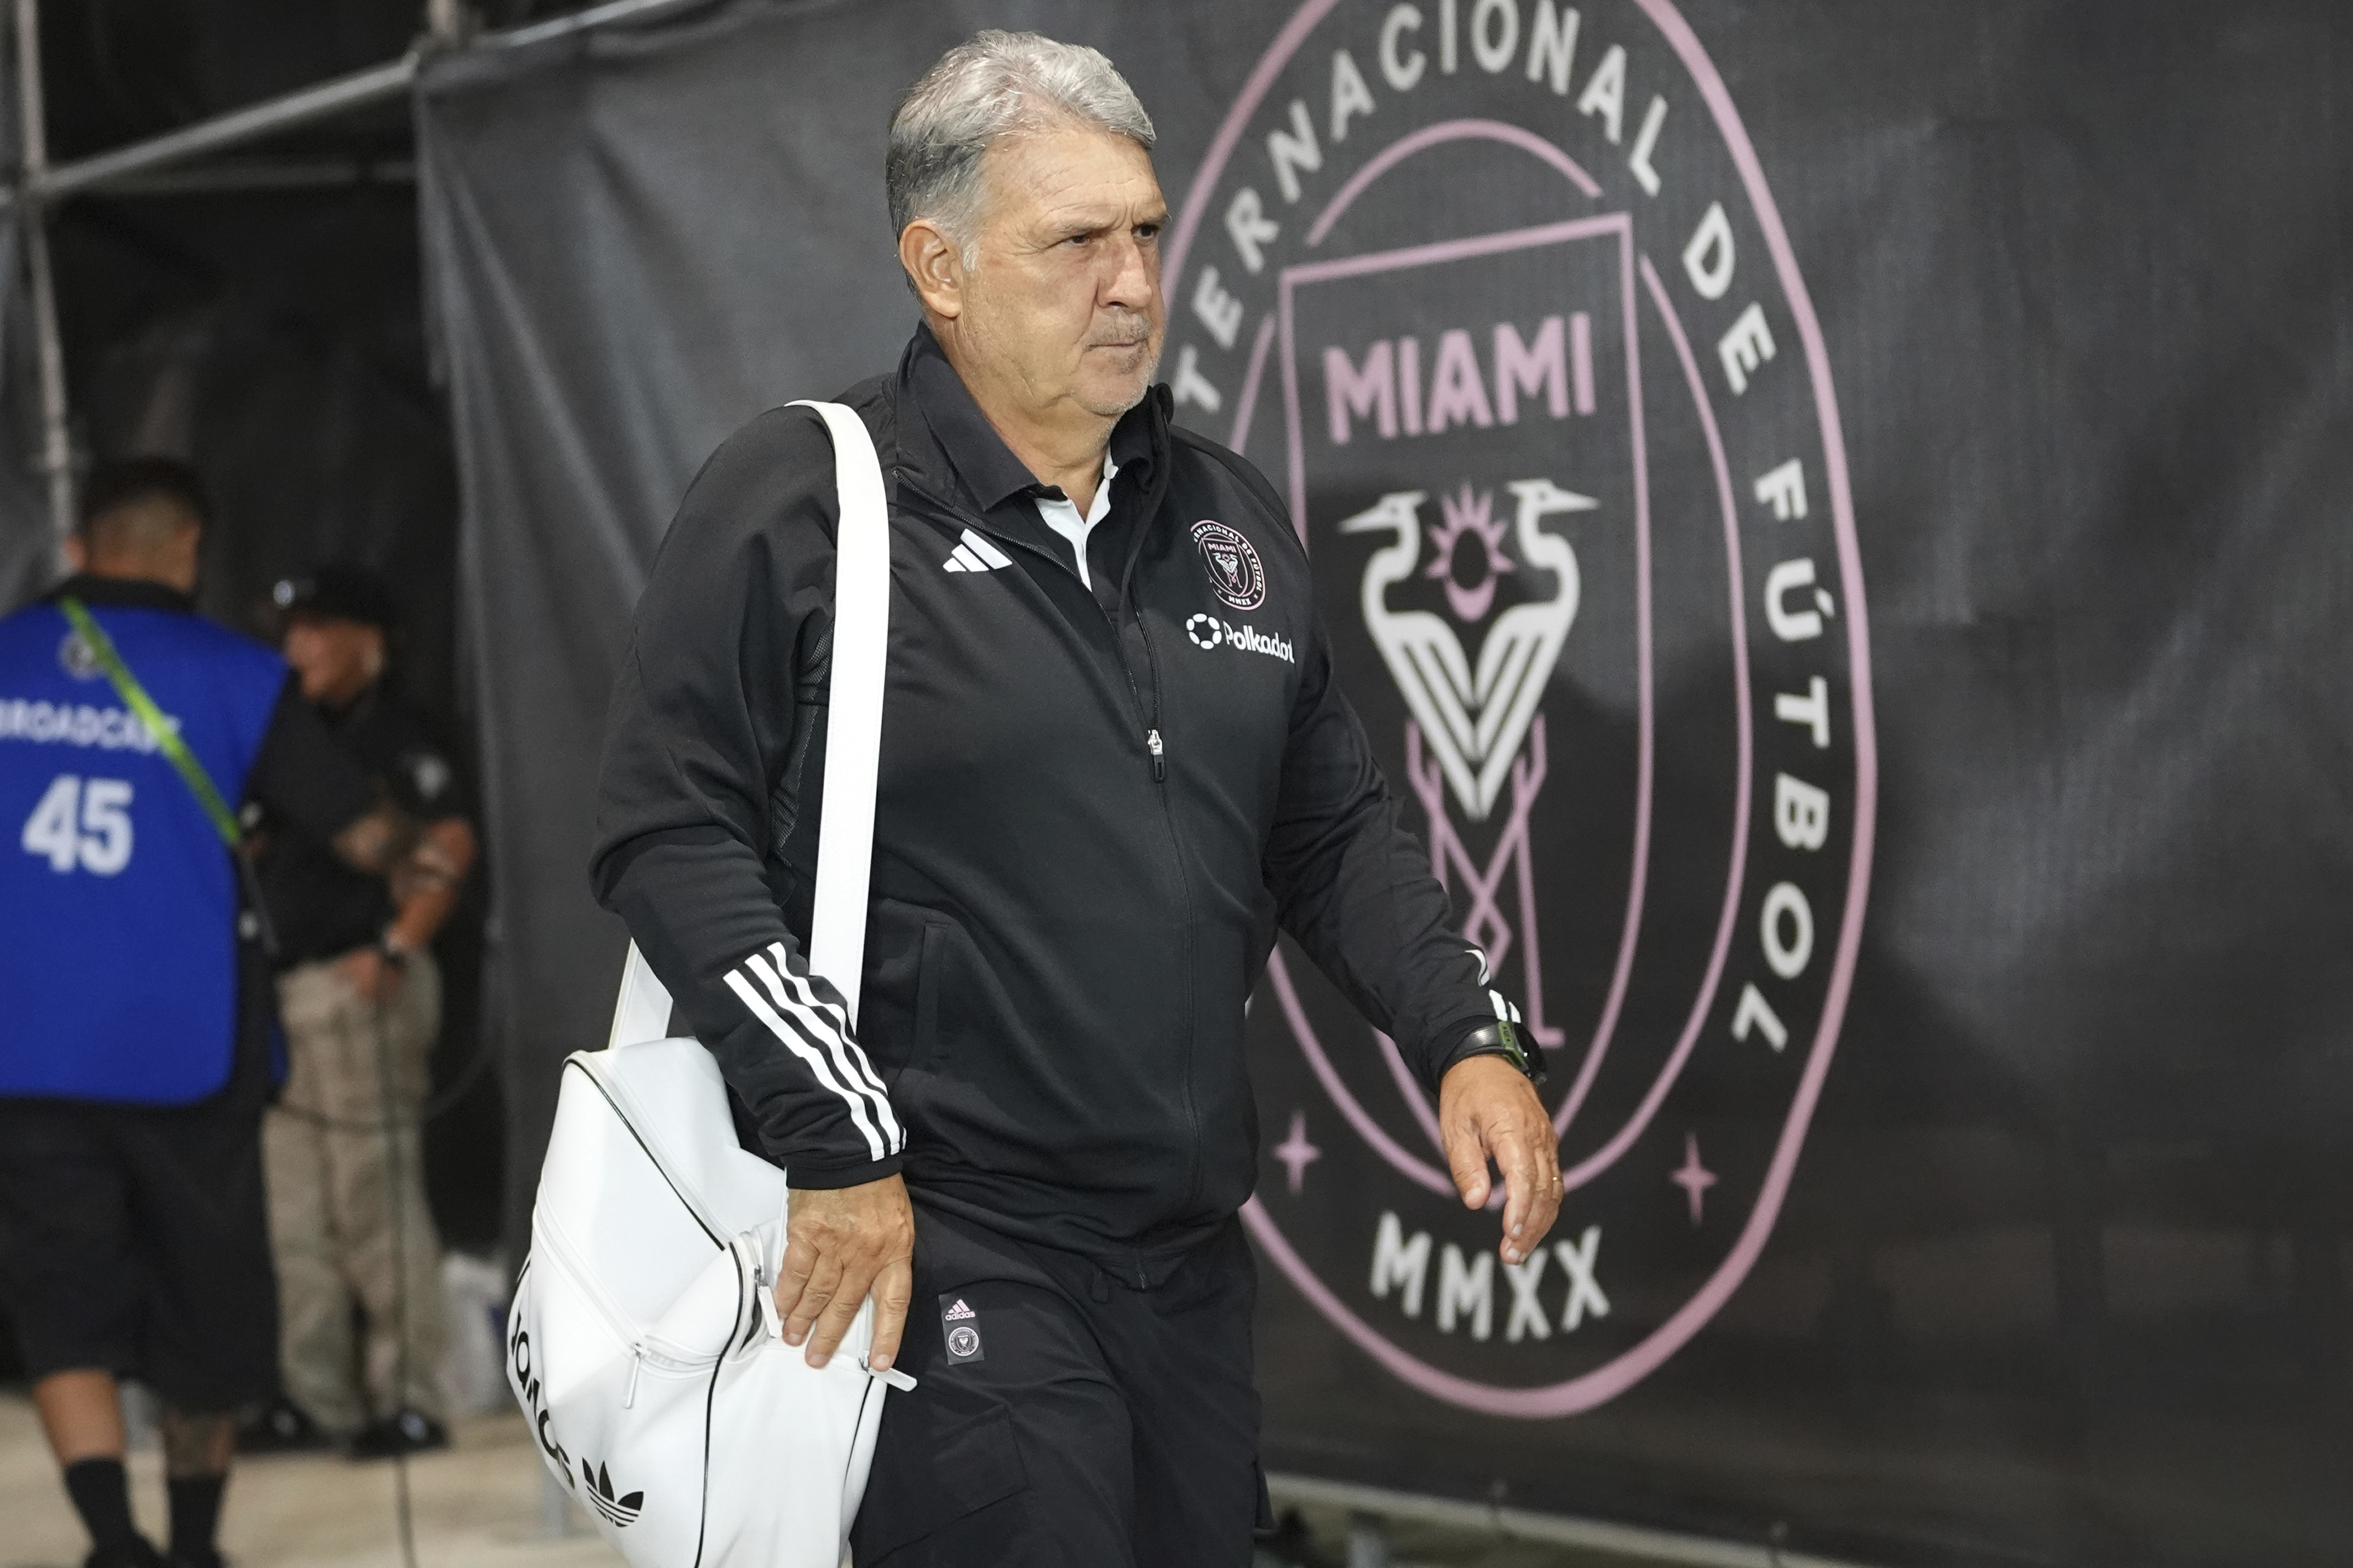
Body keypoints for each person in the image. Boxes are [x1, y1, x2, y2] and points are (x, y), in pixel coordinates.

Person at [590, 31, 1562, 1566]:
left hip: (1184, 1261)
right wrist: (837, 1142)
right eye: (1076, 242)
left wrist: (1466, 1035)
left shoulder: (1222, 517)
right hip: (949, 1235)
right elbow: (665, 826)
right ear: (941, 266)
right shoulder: (806, 499)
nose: (1130, 282)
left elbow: (1330, 829)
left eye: (1146, 234)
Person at [0, 459, 441, 1568]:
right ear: (186, 545)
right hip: (185, 1050)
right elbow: (357, 834)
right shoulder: (237, 676)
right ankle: (194, 1548)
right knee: (208, 1308)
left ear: (82, 542)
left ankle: (113, 1541)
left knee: (64, 1306)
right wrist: (417, 847)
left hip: (27, 1044)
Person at [246, 565, 477, 1459]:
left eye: (320, 629)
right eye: (291, 628)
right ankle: (314, 1399)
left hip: (355, 996)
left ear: (368, 641)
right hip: (281, 995)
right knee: (293, 1211)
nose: (298, 645)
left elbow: (448, 846)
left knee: (372, 1201)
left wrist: (394, 949)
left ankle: (411, 1398)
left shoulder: (398, 735)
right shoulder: (286, 736)